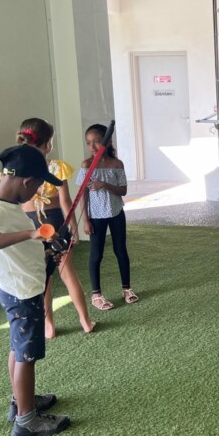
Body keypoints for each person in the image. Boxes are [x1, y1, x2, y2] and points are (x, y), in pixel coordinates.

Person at [0, 144, 71, 436]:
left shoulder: (8, 208)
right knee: (26, 356)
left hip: (20, 288)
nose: (37, 192)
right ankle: (26, 421)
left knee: (18, 350)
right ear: (28, 182)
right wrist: (33, 233)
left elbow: (13, 249)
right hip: (21, 293)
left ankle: (21, 402)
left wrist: (42, 254)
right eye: (38, 186)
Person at [16, 118, 95, 338]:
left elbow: (15, 204)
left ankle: (48, 326)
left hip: (30, 226)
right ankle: (85, 321)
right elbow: (65, 202)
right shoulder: (56, 168)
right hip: (55, 224)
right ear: (48, 144)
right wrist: (73, 228)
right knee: (68, 274)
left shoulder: (15, 170)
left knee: (43, 279)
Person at [76, 123, 138, 310]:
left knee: (121, 251)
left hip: (116, 213)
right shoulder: (87, 165)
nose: (93, 146)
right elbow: (82, 195)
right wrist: (85, 220)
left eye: (97, 141)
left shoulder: (117, 164)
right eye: (89, 143)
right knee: (96, 254)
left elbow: (123, 190)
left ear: (108, 141)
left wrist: (105, 184)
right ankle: (96, 295)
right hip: (96, 216)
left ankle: (127, 289)